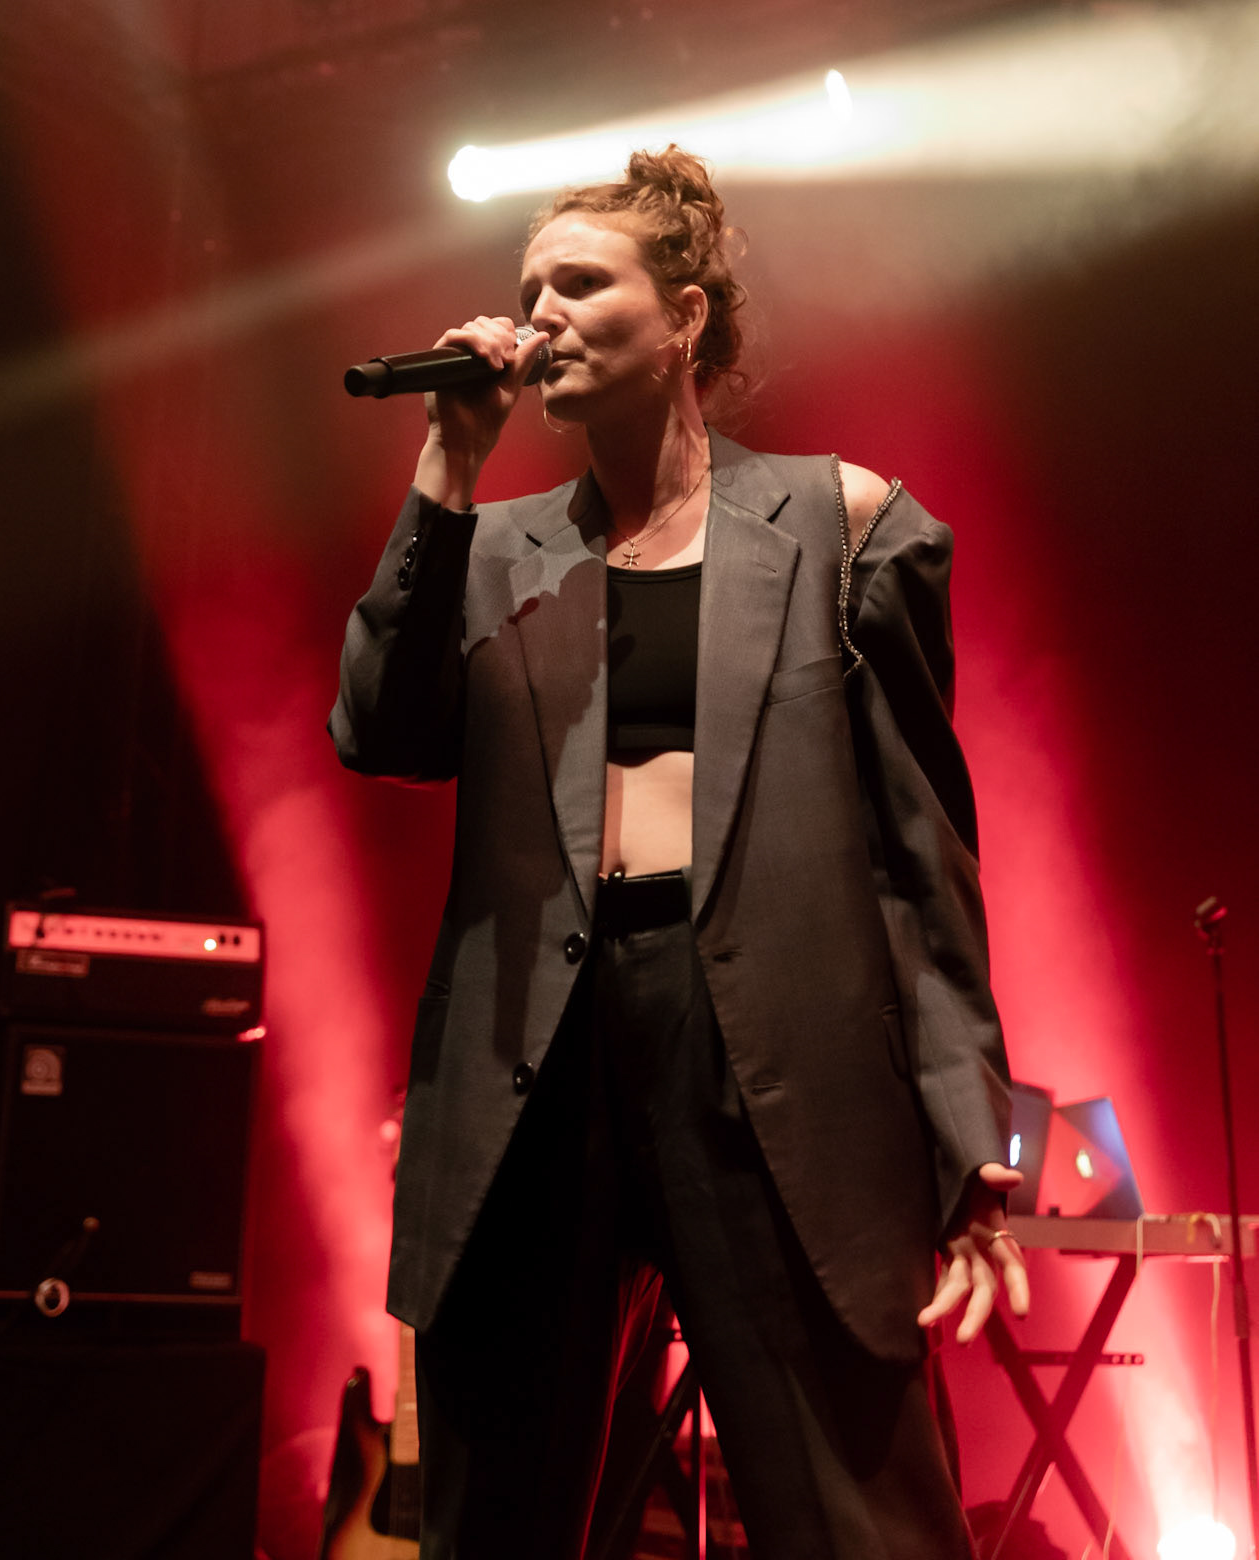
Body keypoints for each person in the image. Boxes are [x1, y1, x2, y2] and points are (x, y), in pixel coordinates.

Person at [330, 145, 1029, 1560]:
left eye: (581, 283)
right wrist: (447, 466)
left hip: (766, 1057)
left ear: (687, 316)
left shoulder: (841, 529)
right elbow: (376, 731)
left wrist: (967, 1131)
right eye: (528, 289)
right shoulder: (491, 547)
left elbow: (918, 858)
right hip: (538, 1069)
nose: (538, 315)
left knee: (859, 1513)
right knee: (496, 1516)